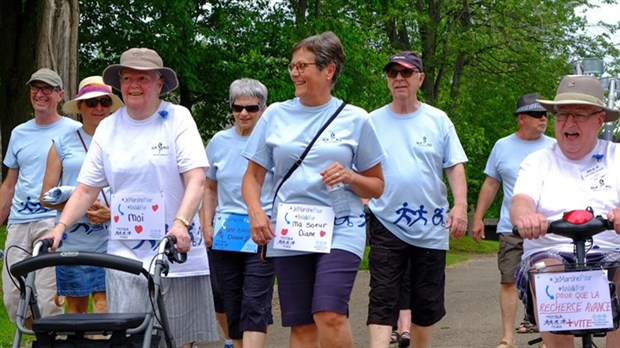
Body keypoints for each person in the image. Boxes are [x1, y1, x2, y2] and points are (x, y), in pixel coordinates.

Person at [42, 48, 218, 347]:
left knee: (177, 339)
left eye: (143, 78)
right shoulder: (109, 126)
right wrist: (60, 228)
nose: (134, 85)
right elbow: (86, 188)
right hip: (126, 252)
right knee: (133, 338)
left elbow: (196, 179)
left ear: (160, 83)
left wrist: (180, 222)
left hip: (173, 249)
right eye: (127, 78)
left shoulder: (177, 118)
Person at [242, 31, 386, 348]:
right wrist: (256, 213)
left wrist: (350, 176)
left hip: (341, 226)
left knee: (329, 313)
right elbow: (252, 177)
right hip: (291, 228)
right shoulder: (275, 115)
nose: (294, 72)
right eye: (292, 66)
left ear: (328, 69)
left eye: (302, 66)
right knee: (303, 326)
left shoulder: (356, 119)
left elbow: (377, 185)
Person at [366, 51, 468, 348]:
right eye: (392, 73)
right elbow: (359, 167)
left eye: (406, 73)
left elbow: (454, 166)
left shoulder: (438, 120)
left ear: (419, 79)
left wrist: (460, 205)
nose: (399, 78)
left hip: (430, 225)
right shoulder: (372, 121)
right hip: (386, 221)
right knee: (382, 298)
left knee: (426, 303)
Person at [511, 75, 620, 348]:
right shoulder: (537, 161)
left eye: (580, 115)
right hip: (552, 250)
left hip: (611, 252)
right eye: (562, 114)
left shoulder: (616, 156)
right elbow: (521, 200)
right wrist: (526, 217)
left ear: (599, 120)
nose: (569, 123)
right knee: (548, 271)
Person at [471, 93, 555, 348]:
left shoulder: (555, 145)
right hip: (512, 227)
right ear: (521, 119)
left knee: (546, 280)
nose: (543, 119)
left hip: (548, 228)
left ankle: (548, 337)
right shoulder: (502, 146)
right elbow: (491, 183)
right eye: (537, 114)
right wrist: (478, 218)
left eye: (545, 115)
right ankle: (508, 337)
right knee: (508, 279)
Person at [0, 68, 81, 324]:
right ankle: (37, 339)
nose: (40, 94)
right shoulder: (19, 133)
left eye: (47, 89)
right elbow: (9, 185)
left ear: (60, 95)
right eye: (35, 88)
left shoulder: (75, 130)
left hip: (53, 221)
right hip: (19, 223)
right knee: (13, 296)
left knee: (49, 297)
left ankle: (51, 339)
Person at [38, 76, 123, 315]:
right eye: (92, 102)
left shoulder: (125, 141)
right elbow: (45, 196)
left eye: (104, 102)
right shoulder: (62, 144)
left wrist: (111, 213)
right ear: (80, 107)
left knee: (105, 307)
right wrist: (78, 205)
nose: (98, 108)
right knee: (76, 310)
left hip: (112, 236)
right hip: (74, 239)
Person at [201, 78, 274, 348]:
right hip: (226, 231)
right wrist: (206, 225)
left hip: (260, 231)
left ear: (263, 109)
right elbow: (209, 187)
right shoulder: (219, 141)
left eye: (252, 108)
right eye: (238, 107)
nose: (244, 113)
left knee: (254, 300)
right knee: (228, 299)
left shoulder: (273, 143)